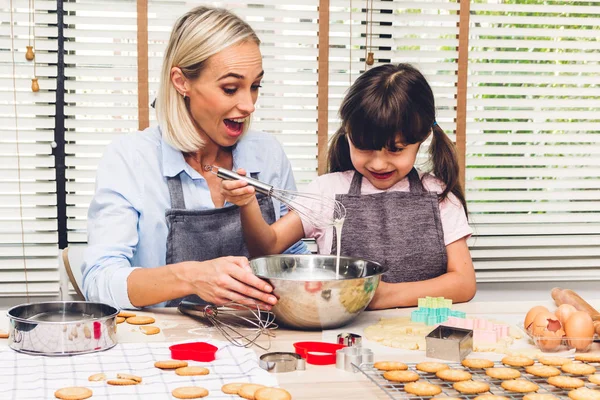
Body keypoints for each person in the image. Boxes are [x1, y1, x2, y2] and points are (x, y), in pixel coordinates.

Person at [82, 6, 308, 310]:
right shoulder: (131, 158)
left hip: (257, 338)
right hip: (163, 346)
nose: (249, 104)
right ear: (181, 81)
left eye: (255, 87)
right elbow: (98, 281)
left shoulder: (268, 154)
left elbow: (295, 258)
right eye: (230, 88)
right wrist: (192, 277)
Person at [221, 63, 476, 309]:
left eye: (395, 150)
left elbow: (463, 283)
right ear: (348, 134)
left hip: (421, 335)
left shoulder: (439, 196)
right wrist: (247, 203)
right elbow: (266, 247)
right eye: (364, 147)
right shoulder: (327, 191)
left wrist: (383, 296)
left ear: (422, 138)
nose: (378, 163)